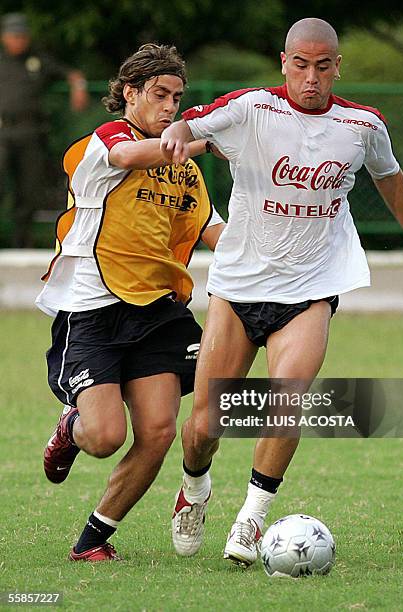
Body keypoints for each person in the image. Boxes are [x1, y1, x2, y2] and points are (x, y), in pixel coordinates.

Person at [160, 18, 403, 566]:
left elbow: (388, 175)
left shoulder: (362, 126)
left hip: (311, 287)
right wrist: (175, 134)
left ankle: (250, 521)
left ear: (337, 66)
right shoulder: (251, 109)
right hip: (239, 287)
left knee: (288, 401)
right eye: (300, 65)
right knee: (202, 427)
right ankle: (194, 491)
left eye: (322, 66)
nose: (311, 77)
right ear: (284, 62)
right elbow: (195, 120)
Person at [36, 43, 224, 561]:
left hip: (158, 312)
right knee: (102, 436)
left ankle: (93, 540)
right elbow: (127, 156)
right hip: (94, 308)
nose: (170, 107)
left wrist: (277, 241)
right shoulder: (105, 142)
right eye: (159, 95)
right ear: (129, 94)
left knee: (160, 430)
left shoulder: (184, 168)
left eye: (177, 97)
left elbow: (210, 230)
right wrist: (205, 138)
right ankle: (70, 429)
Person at [0, 12, 89, 247]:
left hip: (31, 133)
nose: (18, 40)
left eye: (22, 35)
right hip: (3, 132)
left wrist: (78, 87)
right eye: (13, 36)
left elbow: (72, 74)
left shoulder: (37, 60)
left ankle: (22, 242)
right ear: (4, 38)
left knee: (29, 189)